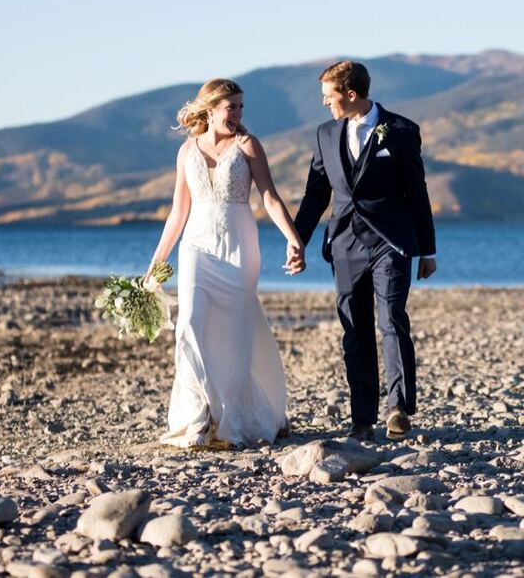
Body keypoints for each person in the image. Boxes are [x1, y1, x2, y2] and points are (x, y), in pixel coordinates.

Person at [147, 78, 305, 448]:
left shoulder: (248, 145)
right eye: (230, 107)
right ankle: (198, 417)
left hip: (238, 247)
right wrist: (157, 262)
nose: (237, 114)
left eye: (240, 107)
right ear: (210, 109)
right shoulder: (186, 152)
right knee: (189, 323)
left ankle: (232, 418)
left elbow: (269, 196)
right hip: (196, 246)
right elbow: (178, 212)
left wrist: (293, 238)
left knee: (235, 335)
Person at [293, 60, 437, 442]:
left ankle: (398, 410)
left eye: (329, 96)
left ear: (351, 94)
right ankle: (362, 418)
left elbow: (417, 192)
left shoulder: (401, 130)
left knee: (391, 319)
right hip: (344, 243)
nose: (325, 103)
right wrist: (297, 240)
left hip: (391, 241)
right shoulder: (325, 134)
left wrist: (427, 250)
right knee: (354, 330)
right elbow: (315, 193)